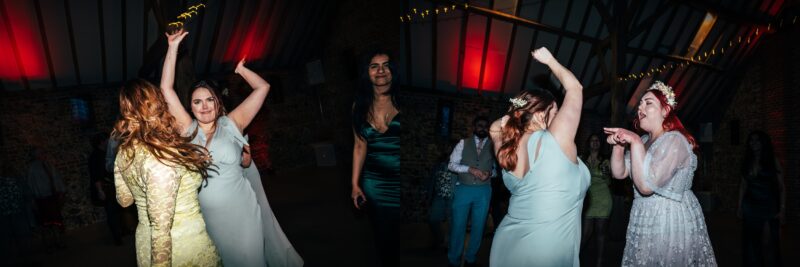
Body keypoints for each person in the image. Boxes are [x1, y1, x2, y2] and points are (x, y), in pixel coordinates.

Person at [160, 29, 302, 267]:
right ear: (191, 107)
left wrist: (241, 70)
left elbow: (263, 88)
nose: (204, 106)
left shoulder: (233, 122)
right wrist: (172, 49)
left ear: (218, 103)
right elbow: (166, 89)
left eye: (209, 100)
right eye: (197, 101)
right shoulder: (187, 128)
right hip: (210, 220)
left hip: (243, 212)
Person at [488, 47, 589, 267]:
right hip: (546, 251)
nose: (559, 117)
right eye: (555, 112)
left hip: (506, 245)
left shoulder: (507, 149)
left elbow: (495, 127)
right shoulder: (555, 140)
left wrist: (515, 114)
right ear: (542, 115)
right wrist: (550, 59)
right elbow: (575, 87)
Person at [604, 80, 716, 266]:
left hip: (669, 217)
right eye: (640, 104)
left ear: (665, 111)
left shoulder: (675, 140)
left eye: (648, 103)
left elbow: (647, 186)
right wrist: (618, 146)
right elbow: (619, 173)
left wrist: (635, 142)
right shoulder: (644, 139)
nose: (641, 107)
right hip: (644, 214)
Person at [112, 78, 220, 266]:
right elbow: (161, 230)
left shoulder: (124, 151)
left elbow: (124, 200)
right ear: (156, 104)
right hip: (180, 248)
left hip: (145, 242)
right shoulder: (161, 158)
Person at [350, 48, 401, 267]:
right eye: (374, 66)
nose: (381, 70)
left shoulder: (402, 99)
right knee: (383, 237)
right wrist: (354, 184)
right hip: (375, 184)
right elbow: (359, 145)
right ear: (367, 73)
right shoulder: (358, 106)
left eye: (386, 65)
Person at [447, 116, 496, 267]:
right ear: (474, 127)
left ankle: (471, 258)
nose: (482, 128)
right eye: (479, 125)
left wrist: (490, 173)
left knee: (479, 226)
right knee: (458, 225)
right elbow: (451, 165)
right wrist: (469, 169)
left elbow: (497, 170)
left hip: (483, 191)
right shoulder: (463, 143)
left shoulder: (494, 146)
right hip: (463, 189)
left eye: (485, 126)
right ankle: (454, 259)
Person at [738, 131, 784, 266]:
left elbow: (781, 187)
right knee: (752, 240)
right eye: (751, 141)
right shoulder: (747, 160)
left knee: (770, 241)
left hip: (769, 205)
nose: (754, 143)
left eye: (757, 140)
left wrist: (782, 208)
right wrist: (739, 206)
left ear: (763, 143)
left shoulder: (772, 160)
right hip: (750, 206)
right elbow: (743, 186)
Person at [579, 133, 611, 267]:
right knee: (585, 234)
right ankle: (574, 258)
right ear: (588, 144)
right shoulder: (581, 159)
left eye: (597, 140)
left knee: (600, 234)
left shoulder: (605, 161)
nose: (595, 142)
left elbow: (609, 182)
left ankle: (599, 263)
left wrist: (606, 175)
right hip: (589, 201)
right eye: (592, 140)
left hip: (603, 200)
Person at [25, 148, 66, 253]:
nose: (44, 155)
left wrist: (60, 191)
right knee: (45, 222)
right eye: (42, 153)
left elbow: (56, 178)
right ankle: (48, 243)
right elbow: (30, 185)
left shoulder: (48, 165)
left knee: (55, 220)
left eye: (43, 153)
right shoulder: (32, 168)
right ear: (36, 155)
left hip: (52, 196)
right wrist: (33, 199)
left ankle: (58, 241)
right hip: (42, 198)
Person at [89, 132, 124, 246]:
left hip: (111, 186)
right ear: (101, 142)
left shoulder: (105, 154)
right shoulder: (95, 157)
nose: (108, 142)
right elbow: (95, 176)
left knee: (115, 211)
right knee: (111, 213)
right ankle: (117, 237)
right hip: (105, 188)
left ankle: (121, 233)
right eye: (106, 140)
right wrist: (100, 190)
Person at [427, 141, 457, 252]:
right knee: (432, 219)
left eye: (450, 146)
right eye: (446, 146)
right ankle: (440, 239)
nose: (447, 148)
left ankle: (447, 243)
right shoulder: (439, 163)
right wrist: (429, 195)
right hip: (439, 196)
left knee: (451, 221)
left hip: (452, 196)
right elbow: (432, 180)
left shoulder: (459, 161)